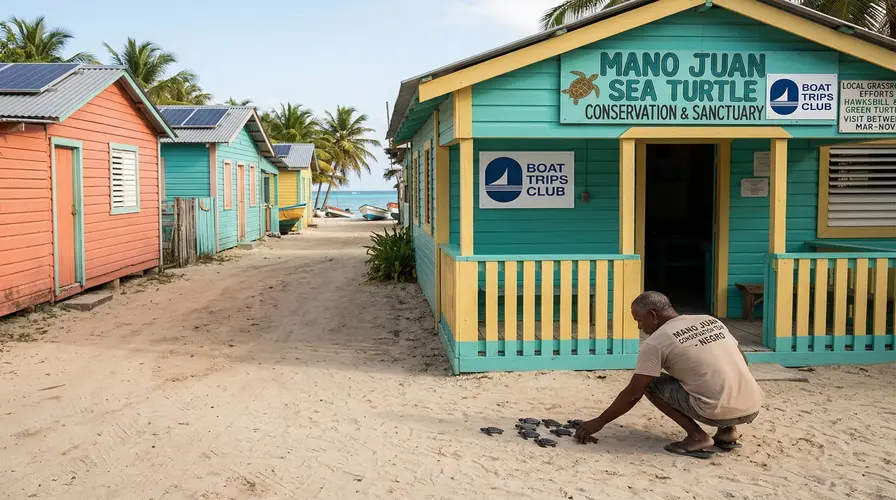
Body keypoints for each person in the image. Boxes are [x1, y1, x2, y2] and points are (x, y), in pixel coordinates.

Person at [574, 291, 763, 459]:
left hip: (716, 412)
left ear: (653, 315)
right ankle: (727, 432)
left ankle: (697, 437)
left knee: (649, 383)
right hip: (753, 406)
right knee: (712, 375)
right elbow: (743, 360)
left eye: (639, 320)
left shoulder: (656, 342)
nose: (640, 327)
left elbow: (633, 393)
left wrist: (599, 422)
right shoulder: (710, 320)